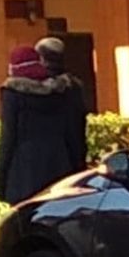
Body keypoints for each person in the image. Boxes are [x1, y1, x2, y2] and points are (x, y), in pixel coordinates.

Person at [0, 46, 86, 206]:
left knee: (24, 225)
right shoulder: (61, 91)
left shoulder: (13, 94)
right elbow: (73, 134)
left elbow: (7, 138)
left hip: (23, 172)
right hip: (59, 165)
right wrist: (78, 168)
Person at [34, 35, 88, 176]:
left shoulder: (35, 88)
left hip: (43, 162)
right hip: (73, 156)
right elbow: (81, 122)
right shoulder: (75, 86)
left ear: (42, 59)